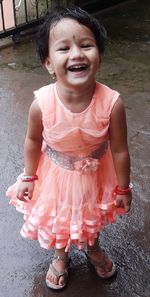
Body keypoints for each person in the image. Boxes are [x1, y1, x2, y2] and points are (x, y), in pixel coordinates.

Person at [6, 6, 132, 290]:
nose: (77, 53)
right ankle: (60, 254)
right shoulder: (42, 104)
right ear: (48, 63)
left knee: (91, 215)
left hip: (97, 173)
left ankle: (92, 247)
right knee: (59, 219)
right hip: (56, 175)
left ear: (98, 55)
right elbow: (33, 141)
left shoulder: (112, 103)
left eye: (86, 45)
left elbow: (121, 149)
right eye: (64, 48)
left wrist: (123, 188)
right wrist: (29, 176)